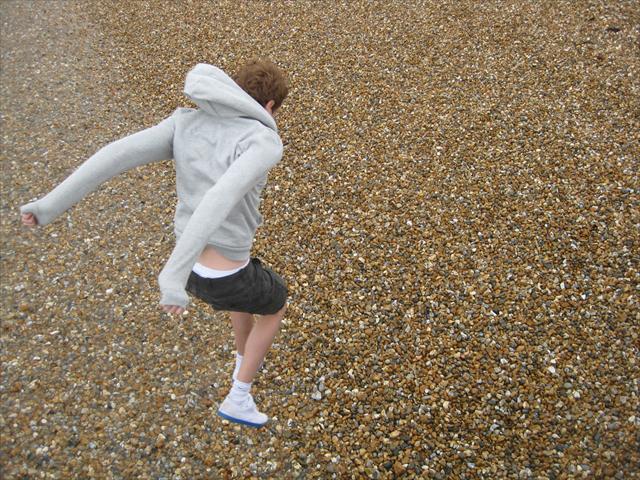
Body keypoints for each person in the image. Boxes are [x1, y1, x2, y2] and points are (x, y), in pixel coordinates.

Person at [20, 60, 289, 428]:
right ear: (270, 107)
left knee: (245, 295)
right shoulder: (263, 139)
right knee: (275, 304)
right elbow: (219, 197)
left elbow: (113, 156)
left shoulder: (185, 122)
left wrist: (48, 206)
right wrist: (171, 279)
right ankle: (239, 396)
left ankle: (242, 361)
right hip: (200, 275)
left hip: (193, 272)